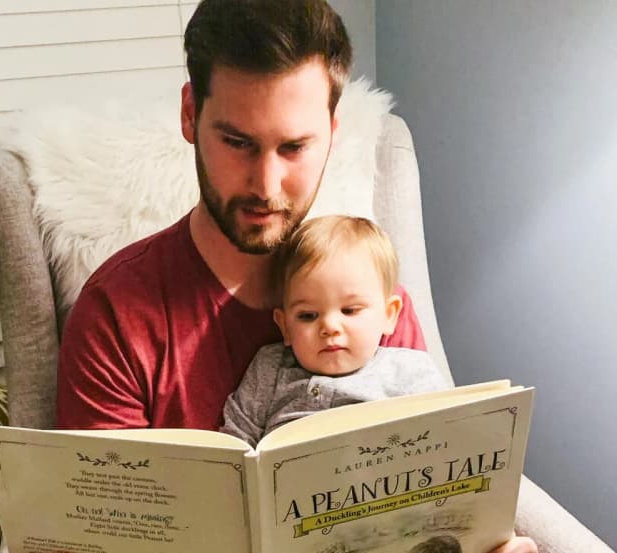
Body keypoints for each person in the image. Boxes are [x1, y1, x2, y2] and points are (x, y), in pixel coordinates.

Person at [55, 3, 536, 551]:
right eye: (237, 143)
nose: (266, 184)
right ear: (190, 115)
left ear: (331, 132)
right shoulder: (116, 315)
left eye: (294, 147)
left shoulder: (371, 301)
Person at [220, 216, 448, 447]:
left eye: (349, 310)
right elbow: (236, 440)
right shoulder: (270, 368)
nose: (329, 327)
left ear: (389, 315)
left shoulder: (411, 373)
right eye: (307, 316)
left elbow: (449, 435)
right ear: (285, 326)